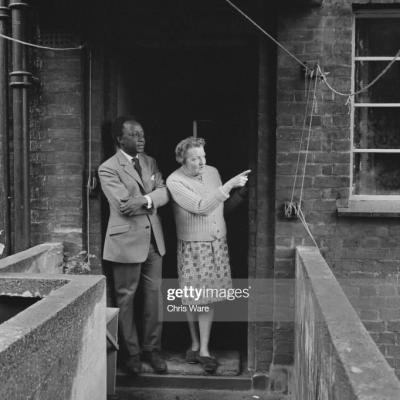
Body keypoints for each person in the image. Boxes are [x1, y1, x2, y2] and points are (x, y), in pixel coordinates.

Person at [166, 136, 250, 374]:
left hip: (216, 242)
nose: (202, 162)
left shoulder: (212, 172)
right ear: (182, 159)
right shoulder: (175, 181)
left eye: (203, 156)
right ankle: (197, 345)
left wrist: (240, 195)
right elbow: (202, 207)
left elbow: (220, 207)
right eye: (195, 158)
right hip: (195, 245)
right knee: (194, 296)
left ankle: (202, 347)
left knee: (207, 297)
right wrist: (230, 185)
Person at [98, 116, 169, 375]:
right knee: (126, 299)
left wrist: (145, 200)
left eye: (142, 134)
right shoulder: (108, 168)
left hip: (153, 242)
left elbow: (164, 192)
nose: (142, 138)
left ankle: (152, 349)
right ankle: (132, 354)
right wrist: (150, 199)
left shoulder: (150, 161)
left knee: (154, 298)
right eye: (135, 134)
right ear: (119, 139)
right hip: (125, 242)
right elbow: (122, 205)